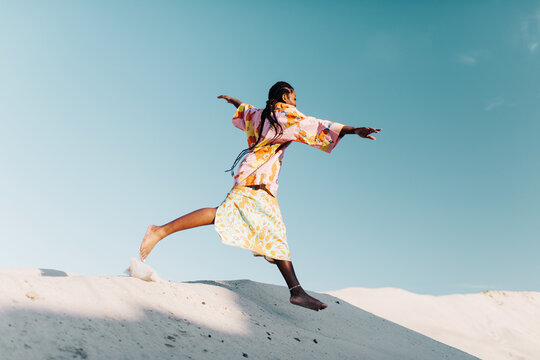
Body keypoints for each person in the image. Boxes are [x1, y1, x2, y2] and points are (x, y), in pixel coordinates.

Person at [140, 81, 381, 311]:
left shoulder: (263, 114)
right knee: (230, 217)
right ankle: (159, 231)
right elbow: (317, 125)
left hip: (255, 176)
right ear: (285, 96)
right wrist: (353, 130)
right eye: (294, 97)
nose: (296, 102)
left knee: (270, 233)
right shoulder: (287, 115)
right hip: (259, 178)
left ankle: (296, 291)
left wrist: (235, 102)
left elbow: (247, 111)